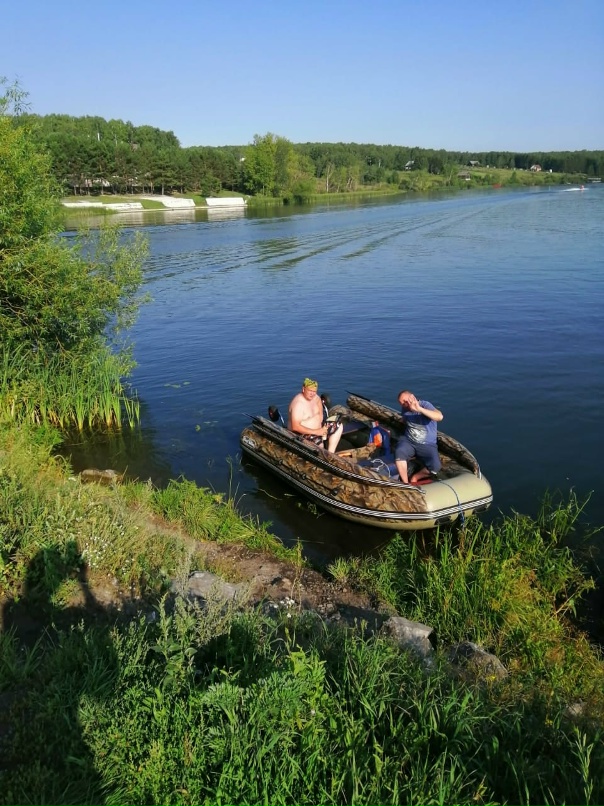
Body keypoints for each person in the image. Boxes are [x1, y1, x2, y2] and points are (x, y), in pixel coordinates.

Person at [394, 390, 443, 484]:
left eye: (406, 401)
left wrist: (419, 409)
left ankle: (415, 477)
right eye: (402, 403)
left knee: (435, 467)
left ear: (412, 397)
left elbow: (439, 417)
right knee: (399, 452)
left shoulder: (425, 405)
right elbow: (404, 419)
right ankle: (405, 483)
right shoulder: (405, 408)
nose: (405, 404)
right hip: (409, 441)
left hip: (427, 444)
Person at [288, 377, 343, 453]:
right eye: (310, 391)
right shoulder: (298, 404)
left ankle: (331, 453)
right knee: (319, 446)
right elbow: (295, 427)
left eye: (314, 391)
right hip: (302, 434)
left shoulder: (317, 398)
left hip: (319, 430)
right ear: (303, 389)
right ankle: (322, 456)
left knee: (338, 425)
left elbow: (320, 415)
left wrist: (323, 428)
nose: (312, 394)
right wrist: (317, 432)